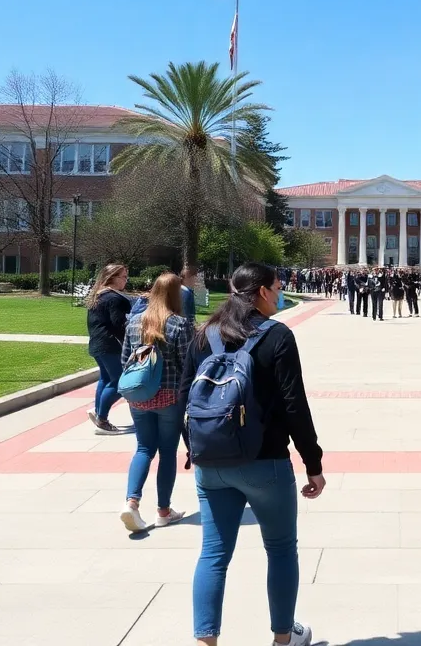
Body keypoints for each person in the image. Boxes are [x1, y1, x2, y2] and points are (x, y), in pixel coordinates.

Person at [187, 263, 324, 646]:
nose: (281, 292)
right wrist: (313, 463)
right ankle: (283, 638)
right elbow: (294, 404)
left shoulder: (205, 335)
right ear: (263, 292)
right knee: (281, 550)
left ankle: (205, 641)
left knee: (213, 554)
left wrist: (195, 450)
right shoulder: (277, 336)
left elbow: (187, 398)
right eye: (279, 286)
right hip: (266, 461)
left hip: (211, 462)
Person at [118, 273, 193, 532]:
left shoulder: (134, 322)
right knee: (167, 452)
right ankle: (163, 510)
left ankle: (132, 502)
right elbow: (187, 366)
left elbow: (125, 360)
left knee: (143, 448)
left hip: (139, 396)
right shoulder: (179, 325)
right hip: (170, 396)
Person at [86, 263, 132, 435]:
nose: (126, 280)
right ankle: (102, 419)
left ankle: (99, 412)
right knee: (121, 382)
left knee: (106, 379)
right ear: (112, 278)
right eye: (123, 277)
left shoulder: (99, 296)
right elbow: (120, 324)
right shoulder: (114, 299)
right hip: (110, 345)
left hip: (98, 344)